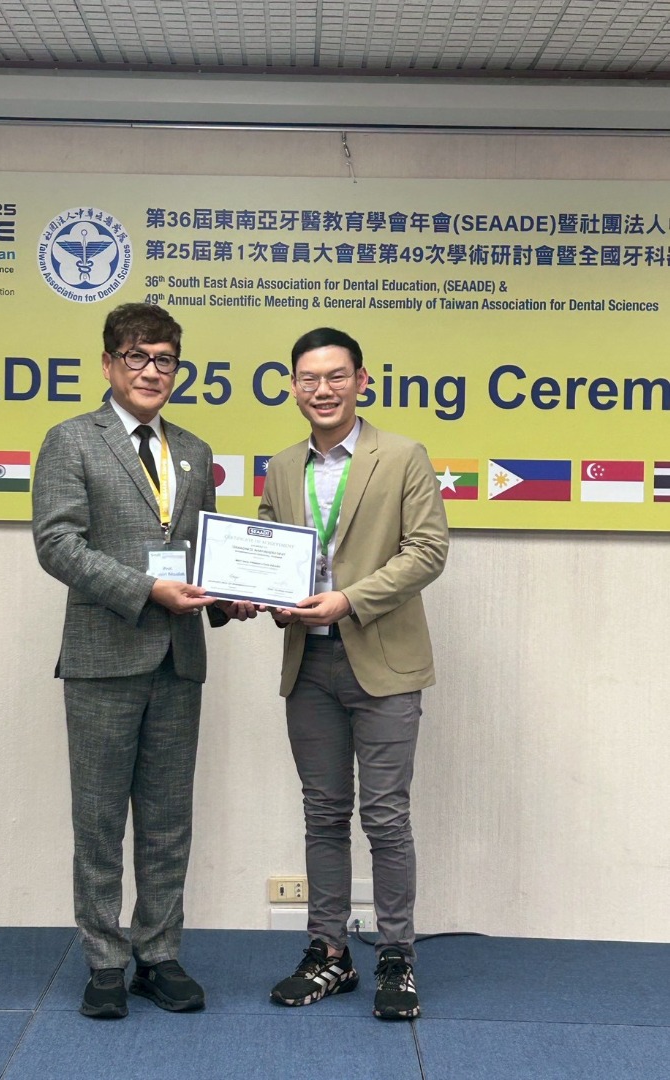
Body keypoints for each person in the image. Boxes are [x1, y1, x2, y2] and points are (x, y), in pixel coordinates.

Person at [32, 302, 250, 1020]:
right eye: (137, 357)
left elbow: (204, 555)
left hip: (178, 659)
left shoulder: (193, 449)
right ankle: (104, 960)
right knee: (98, 821)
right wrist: (146, 590)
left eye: (165, 360)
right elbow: (57, 544)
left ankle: (158, 954)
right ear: (108, 364)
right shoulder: (71, 441)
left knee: (167, 820)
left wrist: (229, 599)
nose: (152, 371)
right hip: (104, 656)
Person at [258, 326, 449, 1020]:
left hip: (384, 661)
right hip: (309, 661)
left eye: (336, 376)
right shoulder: (283, 467)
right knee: (323, 814)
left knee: (386, 817)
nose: (323, 389)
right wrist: (262, 597)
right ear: (292, 388)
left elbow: (427, 550)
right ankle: (329, 952)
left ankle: (397, 956)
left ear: (362, 382)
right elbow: (267, 543)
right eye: (309, 378)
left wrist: (349, 600)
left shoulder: (402, 456)